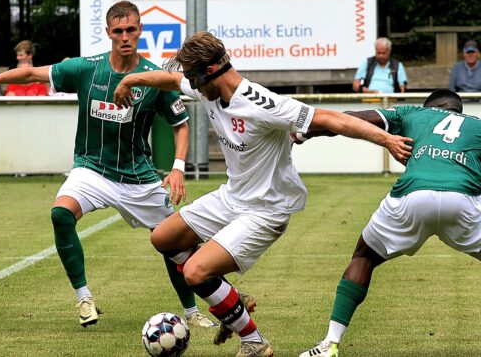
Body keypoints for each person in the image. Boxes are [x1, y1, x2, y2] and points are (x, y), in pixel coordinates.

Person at [112, 31, 413, 357]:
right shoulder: (207, 88)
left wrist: (387, 140)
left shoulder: (262, 103)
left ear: (211, 71)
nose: (191, 85)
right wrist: (132, 79)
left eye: (194, 78)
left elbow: (332, 119)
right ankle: (231, 299)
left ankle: (253, 342)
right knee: (163, 239)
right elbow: (171, 80)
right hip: (231, 197)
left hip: (265, 210)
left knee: (196, 272)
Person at [0, 0, 217, 329]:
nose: (125, 36)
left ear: (140, 30)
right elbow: (31, 73)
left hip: (138, 178)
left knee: (175, 244)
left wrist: (178, 167)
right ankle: (84, 297)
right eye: (118, 31)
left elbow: (180, 125)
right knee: (60, 214)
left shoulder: (153, 77)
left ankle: (192, 311)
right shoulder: (88, 68)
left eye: (130, 30)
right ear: (109, 33)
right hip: (92, 169)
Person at [295, 89, 481, 357]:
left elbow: (350, 120)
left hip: (413, 196)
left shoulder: (413, 113)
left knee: (364, 257)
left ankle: (330, 344)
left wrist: (309, 130)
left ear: (429, 107)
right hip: (463, 202)